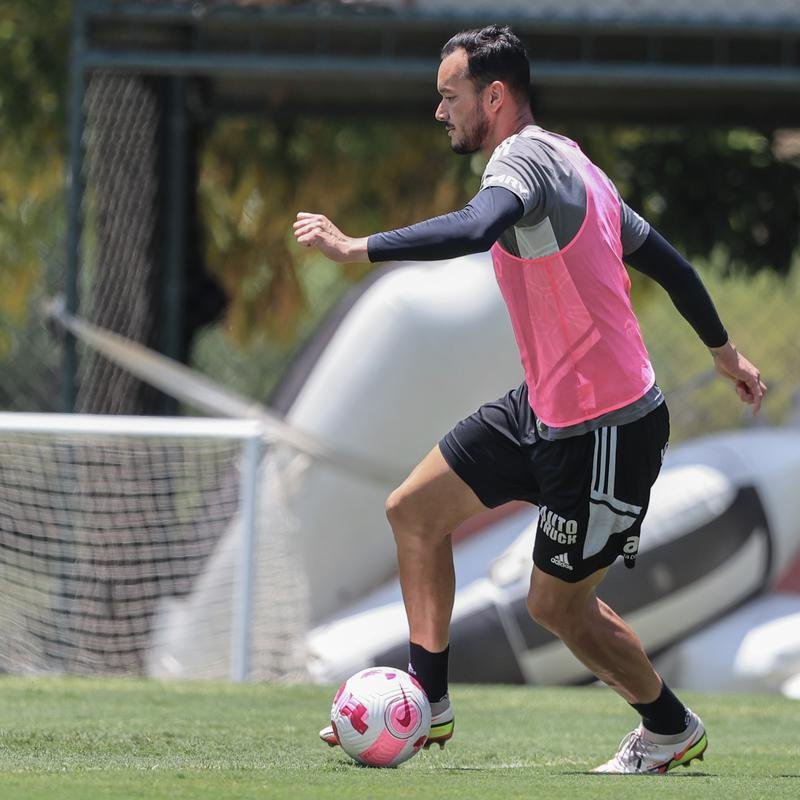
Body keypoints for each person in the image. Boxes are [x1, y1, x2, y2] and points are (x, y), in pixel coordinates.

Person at [293, 25, 766, 774]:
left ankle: (670, 727)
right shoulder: (577, 163)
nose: (440, 112)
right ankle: (429, 706)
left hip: (609, 428)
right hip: (545, 408)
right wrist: (722, 351)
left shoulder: (524, 162)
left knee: (555, 608)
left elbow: (479, 227)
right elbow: (671, 266)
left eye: (450, 97)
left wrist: (360, 248)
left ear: (495, 96)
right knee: (414, 513)